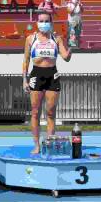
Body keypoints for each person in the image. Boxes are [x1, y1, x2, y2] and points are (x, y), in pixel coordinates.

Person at [22, 12, 72, 154]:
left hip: (52, 75)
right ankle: (36, 144)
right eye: (41, 21)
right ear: (37, 22)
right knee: (35, 112)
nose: (43, 23)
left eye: (46, 21)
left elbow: (65, 57)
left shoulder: (57, 38)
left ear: (51, 23)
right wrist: (24, 80)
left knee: (50, 112)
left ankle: (49, 143)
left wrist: (71, 50)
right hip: (36, 74)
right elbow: (25, 60)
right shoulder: (30, 39)